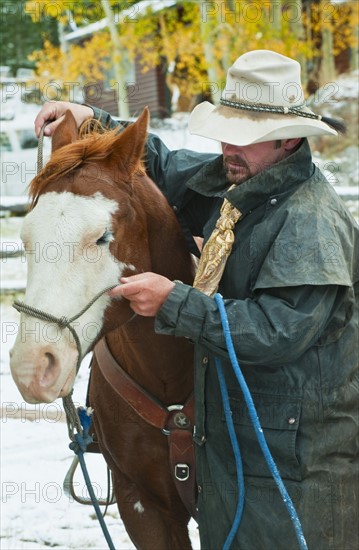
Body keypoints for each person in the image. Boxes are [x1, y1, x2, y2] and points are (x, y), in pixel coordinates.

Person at [35, 50, 358, 550]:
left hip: (297, 462)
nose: (229, 146)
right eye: (228, 130)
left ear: (289, 139)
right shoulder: (243, 178)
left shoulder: (310, 221)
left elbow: (279, 331)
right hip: (251, 440)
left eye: (245, 137)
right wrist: (90, 118)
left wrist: (173, 302)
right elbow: (160, 165)